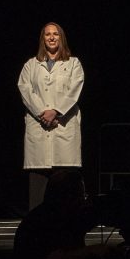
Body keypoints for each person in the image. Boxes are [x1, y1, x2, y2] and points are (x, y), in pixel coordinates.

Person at [18, 23, 85, 211]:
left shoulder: (73, 64)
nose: (52, 37)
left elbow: (74, 91)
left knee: (66, 184)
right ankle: (37, 232)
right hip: (39, 126)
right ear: (43, 39)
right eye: (48, 34)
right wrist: (43, 113)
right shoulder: (31, 65)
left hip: (63, 126)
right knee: (39, 185)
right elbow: (25, 91)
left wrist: (55, 111)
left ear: (61, 38)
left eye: (56, 34)